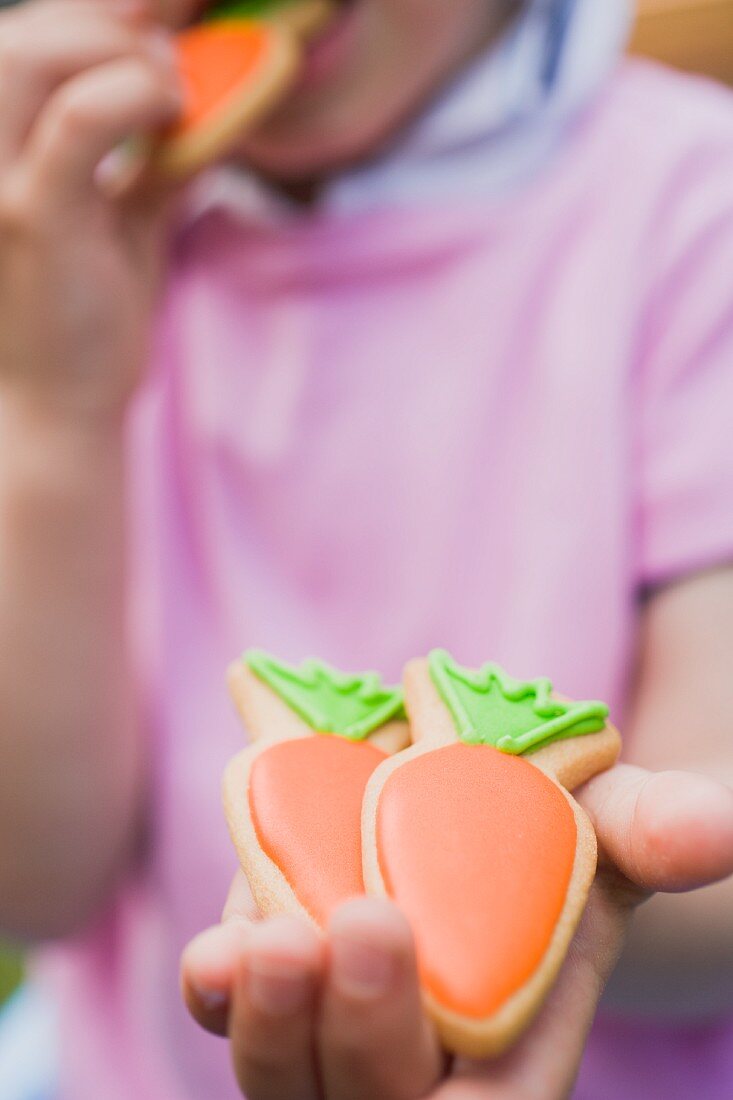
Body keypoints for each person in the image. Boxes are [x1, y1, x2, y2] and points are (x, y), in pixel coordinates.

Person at [0, 0, 732, 1097]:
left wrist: (517, 887)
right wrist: (51, 405)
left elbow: (713, 870)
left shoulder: (691, 211)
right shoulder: (63, 248)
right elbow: (34, 876)